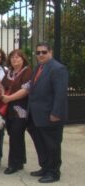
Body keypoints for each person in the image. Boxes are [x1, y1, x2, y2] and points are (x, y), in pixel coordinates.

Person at [27, 43, 68, 183]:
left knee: (52, 145)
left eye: (44, 52)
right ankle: (45, 167)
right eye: (38, 53)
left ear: (50, 52)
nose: (40, 55)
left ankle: (54, 172)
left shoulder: (58, 69)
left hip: (50, 115)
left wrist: (56, 113)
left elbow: (60, 93)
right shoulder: (39, 67)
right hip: (36, 115)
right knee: (41, 143)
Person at [1, 49, 32, 175]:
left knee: (15, 135)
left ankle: (13, 164)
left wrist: (9, 98)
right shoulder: (9, 72)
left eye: (18, 57)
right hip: (8, 109)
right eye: (13, 57)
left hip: (20, 109)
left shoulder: (27, 72)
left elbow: (26, 90)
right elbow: (2, 86)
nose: (15, 59)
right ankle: (20, 161)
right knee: (14, 135)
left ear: (23, 59)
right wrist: (3, 94)